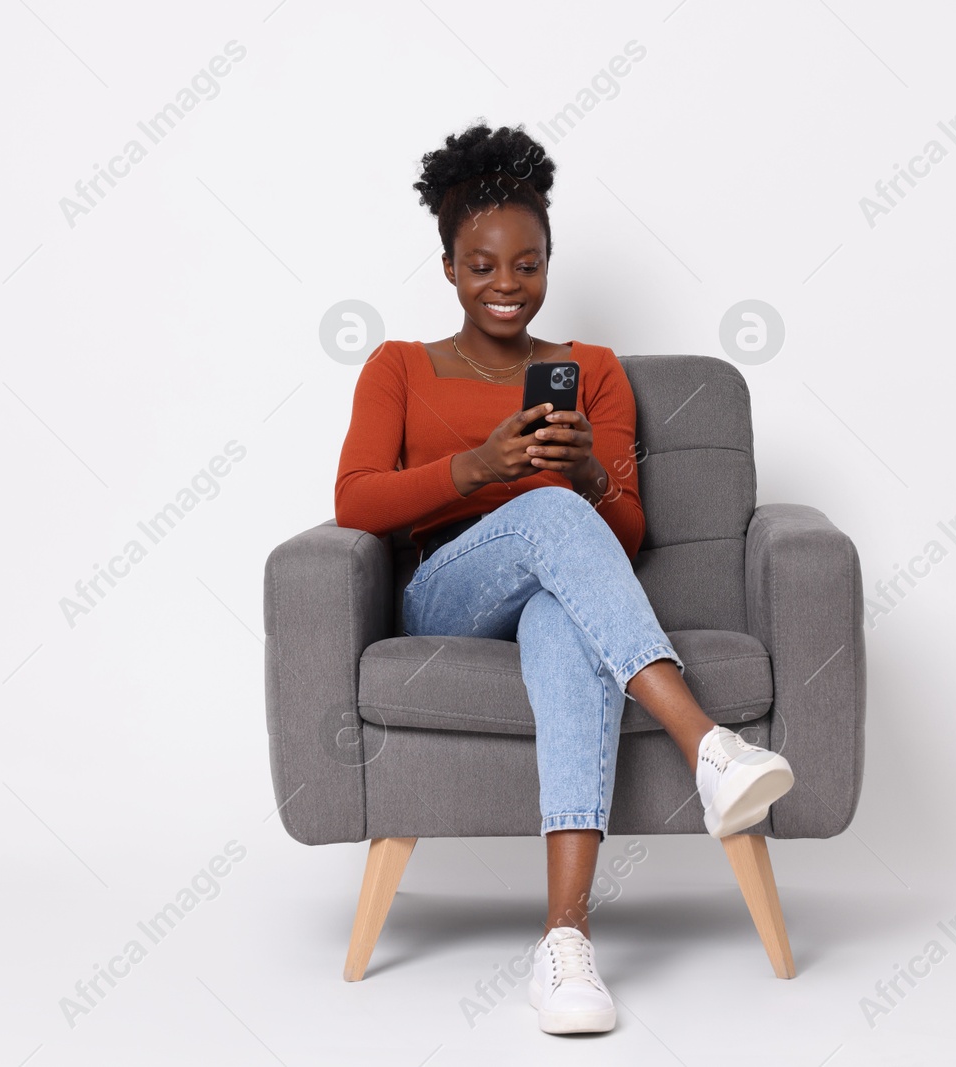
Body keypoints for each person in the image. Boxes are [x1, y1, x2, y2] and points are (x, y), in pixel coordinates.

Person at [333, 122, 795, 1035]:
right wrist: (479, 468)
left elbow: (622, 531)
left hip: (561, 586)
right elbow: (354, 503)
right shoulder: (397, 367)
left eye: (527, 264)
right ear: (449, 267)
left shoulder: (593, 373)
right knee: (543, 512)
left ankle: (565, 944)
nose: (506, 285)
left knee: (558, 616)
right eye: (481, 266)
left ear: (549, 262)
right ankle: (705, 742)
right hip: (446, 597)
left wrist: (586, 473)